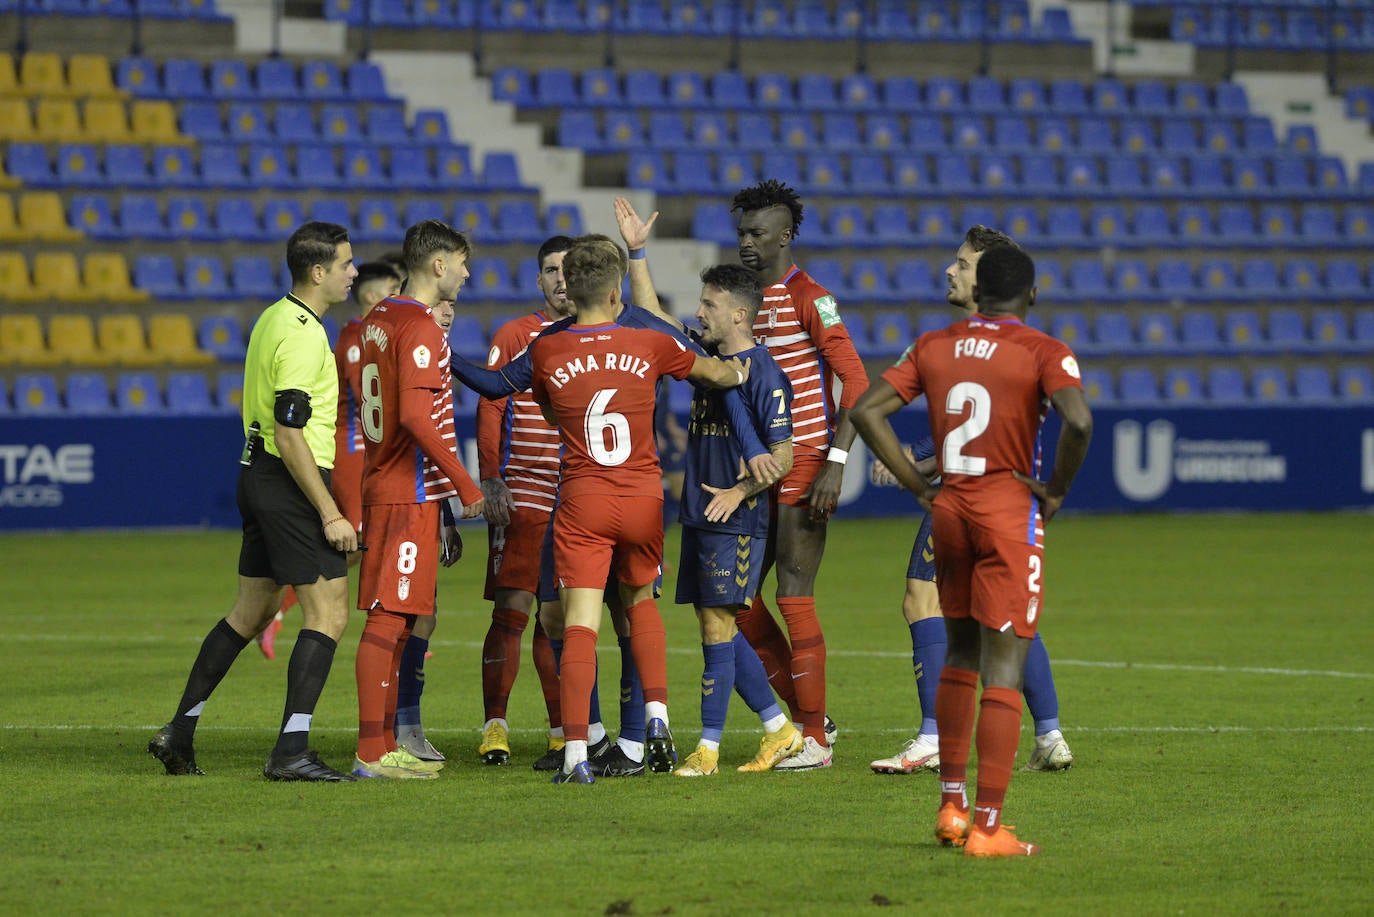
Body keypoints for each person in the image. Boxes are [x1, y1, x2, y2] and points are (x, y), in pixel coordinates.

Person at [851, 243, 1093, 857]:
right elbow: (1079, 422)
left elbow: (866, 410)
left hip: (951, 511)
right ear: (1031, 294)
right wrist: (1056, 490)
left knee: (959, 654)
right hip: (1008, 512)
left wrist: (917, 486)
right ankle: (987, 827)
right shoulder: (1044, 350)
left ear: (979, 291)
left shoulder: (934, 345)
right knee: (1003, 666)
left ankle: (951, 807)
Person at [527, 236, 750, 784]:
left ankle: (576, 755)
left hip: (584, 499)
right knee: (640, 604)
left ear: (571, 290)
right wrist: (744, 372)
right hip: (643, 498)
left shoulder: (547, 350)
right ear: (614, 291)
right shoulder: (647, 342)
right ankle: (657, 717)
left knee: (580, 624)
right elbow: (712, 372)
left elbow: (549, 410)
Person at [147, 221, 360, 781]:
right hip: (291, 480)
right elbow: (290, 433)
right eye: (346, 264)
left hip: (258, 475)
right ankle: (291, 752)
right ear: (319, 271)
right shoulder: (304, 335)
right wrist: (330, 511)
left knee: (254, 611)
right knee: (330, 611)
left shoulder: (272, 318)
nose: (353, 273)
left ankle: (179, 731)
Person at [351, 219, 485, 779]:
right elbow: (413, 415)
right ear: (438, 265)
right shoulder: (421, 326)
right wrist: (465, 483)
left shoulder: (379, 318)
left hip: (389, 483)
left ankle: (384, 745)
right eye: (462, 264)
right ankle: (370, 753)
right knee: (388, 620)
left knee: (402, 621)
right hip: (406, 491)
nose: (466, 274)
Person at [668, 264, 805, 778]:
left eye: (710, 304)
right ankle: (779, 729)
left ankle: (708, 750)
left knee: (716, 627)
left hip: (737, 519)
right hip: (702, 513)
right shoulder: (710, 362)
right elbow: (658, 318)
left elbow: (783, 456)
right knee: (718, 629)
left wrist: (739, 491)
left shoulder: (764, 372)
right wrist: (636, 255)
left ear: (740, 314)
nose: (699, 312)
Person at [256, 261, 402, 661]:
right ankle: (278, 611)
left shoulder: (373, 334)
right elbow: (366, 392)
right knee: (355, 538)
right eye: (392, 290)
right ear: (371, 296)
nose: (398, 297)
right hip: (350, 444)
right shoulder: (356, 337)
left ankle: (396, 631)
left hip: (362, 445)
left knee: (364, 542)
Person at [474, 236, 576, 766]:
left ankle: (561, 731)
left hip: (577, 493)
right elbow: (491, 404)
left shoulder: (597, 333)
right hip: (524, 490)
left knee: (558, 616)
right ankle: (495, 726)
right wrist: (491, 478)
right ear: (538, 280)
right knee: (512, 609)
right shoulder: (516, 334)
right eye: (551, 270)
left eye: (569, 269)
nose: (561, 279)